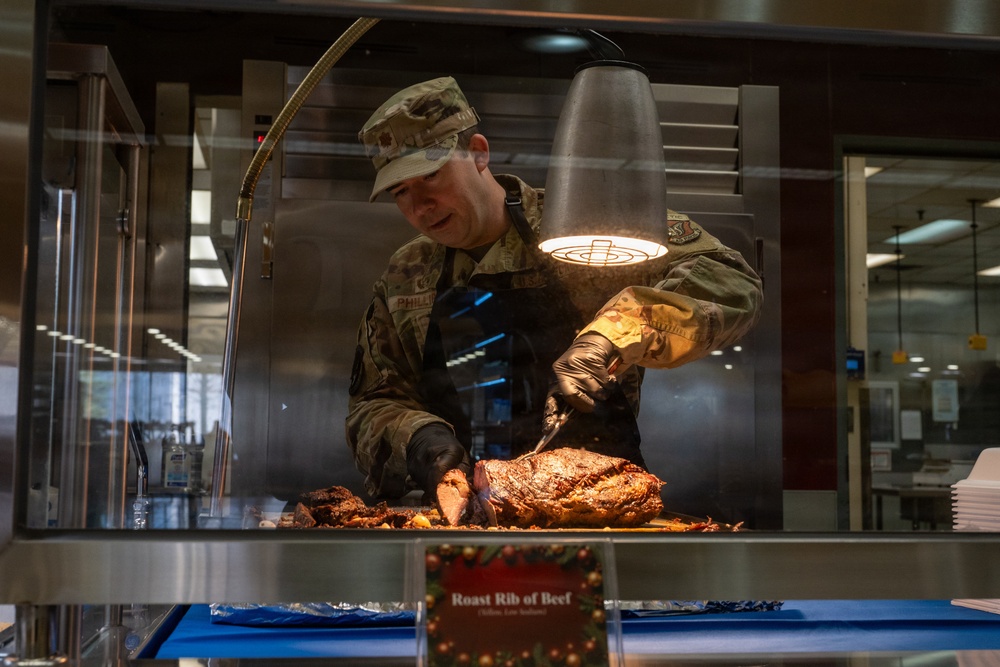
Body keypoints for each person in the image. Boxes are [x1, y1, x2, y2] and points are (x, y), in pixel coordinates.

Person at [346, 76, 763, 500]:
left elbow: (730, 279)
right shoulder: (406, 273)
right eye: (401, 192)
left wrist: (609, 336)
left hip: (593, 503)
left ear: (477, 154)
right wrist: (421, 441)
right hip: (459, 513)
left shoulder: (587, 222)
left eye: (431, 177)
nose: (419, 206)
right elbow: (372, 405)